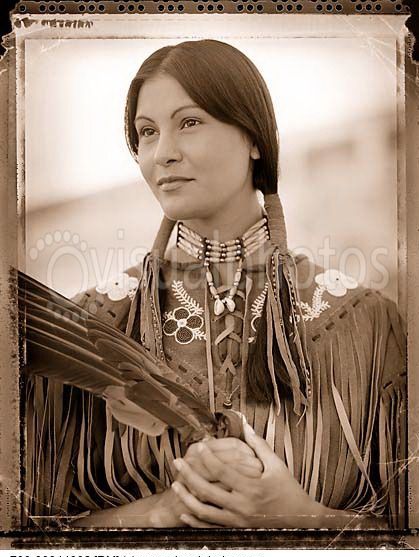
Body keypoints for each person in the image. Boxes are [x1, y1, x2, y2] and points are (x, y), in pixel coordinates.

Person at [24, 39, 406, 530]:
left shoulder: (366, 325)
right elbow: (25, 540)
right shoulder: (87, 328)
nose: (163, 153)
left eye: (189, 122)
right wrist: (158, 512)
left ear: (254, 138)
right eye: (146, 132)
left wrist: (297, 516)